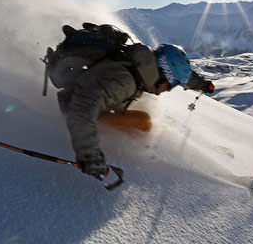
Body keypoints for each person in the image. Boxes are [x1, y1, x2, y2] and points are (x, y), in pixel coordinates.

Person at [57, 42, 215, 180]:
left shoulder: (142, 62)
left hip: (87, 99)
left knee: (143, 117)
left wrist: (201, 84)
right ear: (164, 75)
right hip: (73, 107)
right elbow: (82, 107)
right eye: (171, 85)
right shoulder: (125, 82)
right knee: (143, 122)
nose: (167, 90)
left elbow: (178, 71)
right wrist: (89, 154)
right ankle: (119, 151)